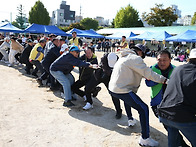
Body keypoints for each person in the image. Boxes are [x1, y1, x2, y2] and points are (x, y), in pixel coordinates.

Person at [109, 44, 168, 147]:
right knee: (143, 109)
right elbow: (149, 73)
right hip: (122, 89)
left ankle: (130, 119)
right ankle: (145, 139)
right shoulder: (135, 58)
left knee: (130, 99)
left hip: (113, 88)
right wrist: (164, 80)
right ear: (140, 52)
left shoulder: (124, 56)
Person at [145, 50, 189, 147]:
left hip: (174, 104)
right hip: (157, 104)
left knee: (173, 127)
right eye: (159, 60)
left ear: (170, 59)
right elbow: (148, 83)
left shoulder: (176, 70)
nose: (162, 62)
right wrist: (161, 79)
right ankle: (182, 144)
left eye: (165, 60)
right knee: (169, 127)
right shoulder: (151, 69)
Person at [158, 48, 196, 147]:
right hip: (182, 116)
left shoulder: (178, 69)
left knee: (173, 141)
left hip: (164, 112)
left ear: (189, 59)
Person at [83, 52, 123, 119]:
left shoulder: (119, 60)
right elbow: (106, 70)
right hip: (99, 75)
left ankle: (119, 111)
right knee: (87, 88)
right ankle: (89, 102)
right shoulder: (103, 59)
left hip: (108, 78)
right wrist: (113, 71)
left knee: (113, 94)